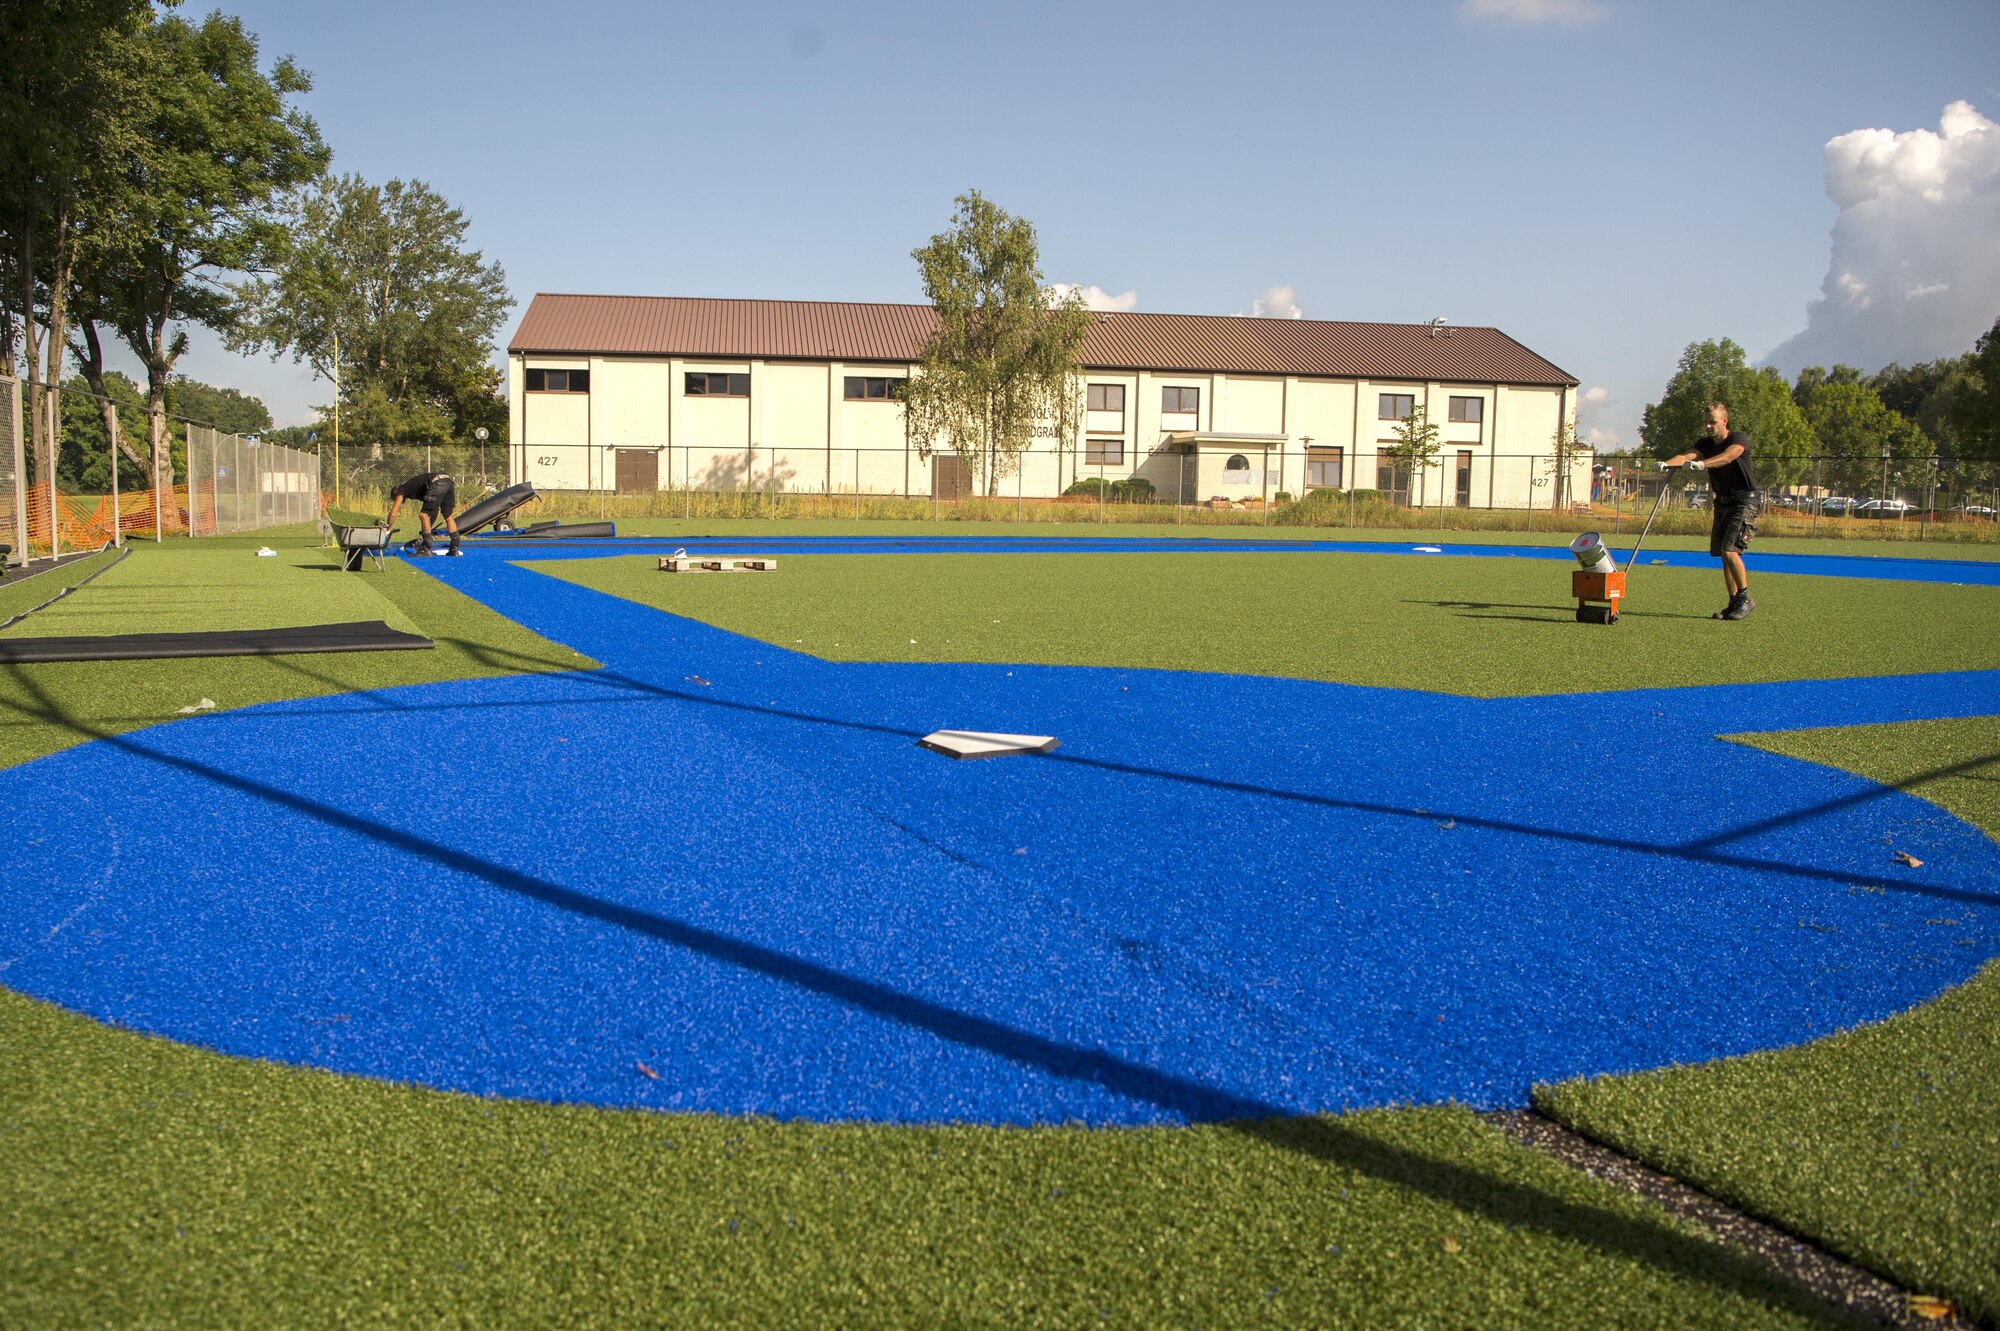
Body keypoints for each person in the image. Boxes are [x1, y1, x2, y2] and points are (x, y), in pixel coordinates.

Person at [1660, 402, 1758, 620]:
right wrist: (1666, 464)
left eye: (1713, 422)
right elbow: (1687, 456)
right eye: (1706, 423)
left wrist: (1703, 465)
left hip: (1744, 501)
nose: (1708, 426)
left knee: (1730, 550)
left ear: (1724, 421)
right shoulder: (1704, 443)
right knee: (1724, 555)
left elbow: (1729, 456)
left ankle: (1746, 598)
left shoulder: (1737, 439)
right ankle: (1734, 602)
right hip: (1722, 502)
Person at [385, 471, 461, 556]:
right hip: (449, 482)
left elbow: (393, 513)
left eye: (396, 499)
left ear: (395, 494)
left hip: (438, 483)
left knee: (423, 515)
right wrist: (427, 531)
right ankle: (454, 549)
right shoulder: (419, 489)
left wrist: (387, 530)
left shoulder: (401, 489)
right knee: (448, 516)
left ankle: (426, 549)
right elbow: (434, 512)